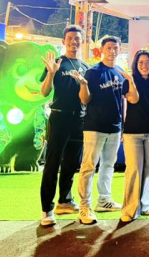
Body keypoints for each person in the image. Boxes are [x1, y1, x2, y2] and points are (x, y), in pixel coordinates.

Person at [72, 36, 139, 225]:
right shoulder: (93, 72)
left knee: (108, 165)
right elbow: (84, 99)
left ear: (119, 50)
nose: (112, 51)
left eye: (115, 48)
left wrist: (123, 125)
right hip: (94, 127)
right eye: (109, 47)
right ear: (102, 49)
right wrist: (83, 84)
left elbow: (127, 100)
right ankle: (85, 206)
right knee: (88, 166)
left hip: (115, 128)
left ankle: (104, 200)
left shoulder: (120, 72)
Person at [39, 25, 89, 226]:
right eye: (70, 38)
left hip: (80, 120)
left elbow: (86, 98)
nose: (73, 41)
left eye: (77, 38)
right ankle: (46, 210)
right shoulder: (57, 63)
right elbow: (44, 92)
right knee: (52, 164)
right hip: (59, 118)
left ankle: (65, 201)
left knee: (71, 163)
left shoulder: (86, 67)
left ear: (82, 41)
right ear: (63, 41)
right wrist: (51, 73)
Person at [120, 50, 149, 223]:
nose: (144, 65)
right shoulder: (128, 81)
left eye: (147, 62)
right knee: (133, 170)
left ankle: (145, 203)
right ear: (136, 64)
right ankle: (131, 208)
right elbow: (133, 99)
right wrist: (131, 81)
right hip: (133, 132)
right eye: (140, 62)